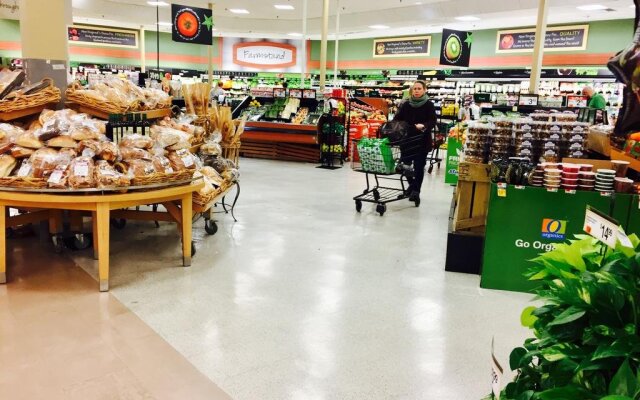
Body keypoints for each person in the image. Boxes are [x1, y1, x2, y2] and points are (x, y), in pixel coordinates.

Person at [392, 80, 437, 203]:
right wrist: (397, 126)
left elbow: (433, 121)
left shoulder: (429, 105)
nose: (416, 91)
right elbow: (397, 119)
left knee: (418, 166)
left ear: (424, 90)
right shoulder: (406, 104)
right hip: (407, 140)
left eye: (419, 88)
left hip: (422, 140)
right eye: (415, 89)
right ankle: (412, 186)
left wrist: (424, 125)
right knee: (406, 166)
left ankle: (416, 191)